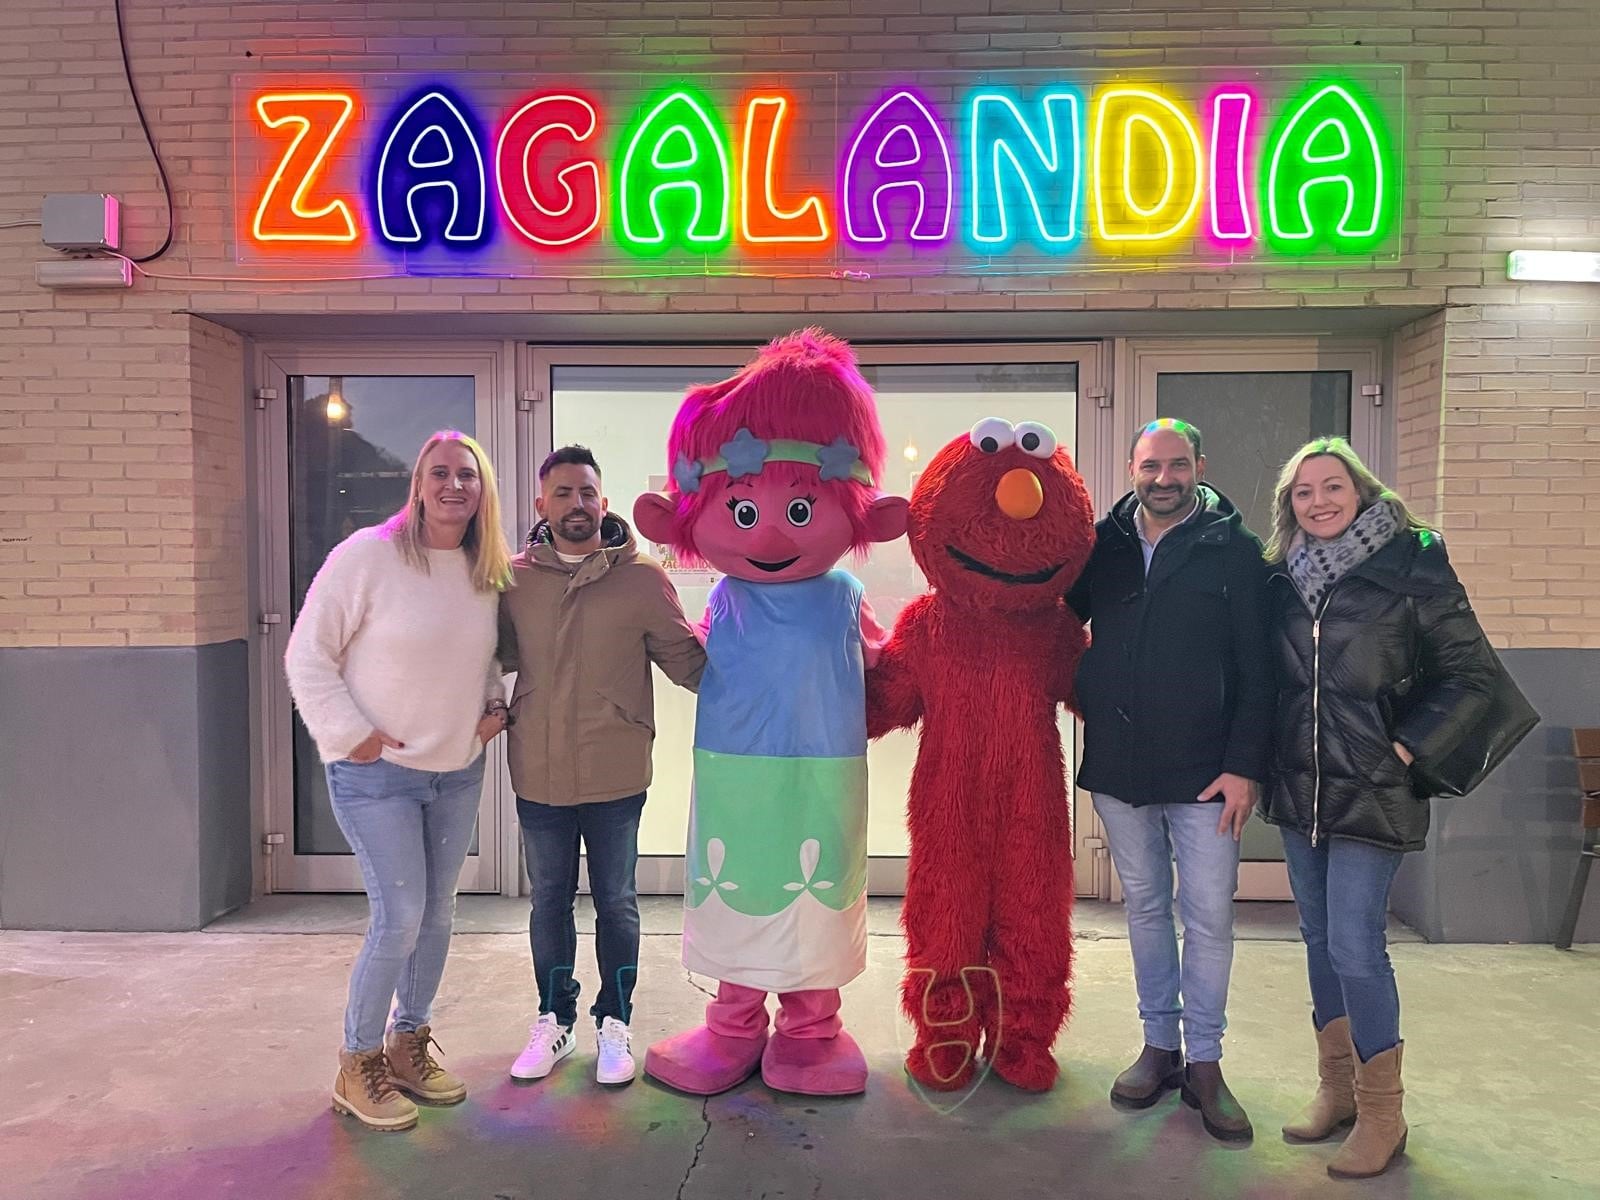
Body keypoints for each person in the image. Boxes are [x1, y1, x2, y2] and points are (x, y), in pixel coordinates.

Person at [1262, 437, 1506, 1179]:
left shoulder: (1412, 565)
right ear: (1290, 506)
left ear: (1361, 492)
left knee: (1356, 947)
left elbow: (1471, 676)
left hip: (1373, 787)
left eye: (1332, 487)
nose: (1319, 502)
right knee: (1316, 936)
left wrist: (1403, 750)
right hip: (1301, 790)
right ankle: (1336, 1091)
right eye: (1303, 493)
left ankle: (1382, 1113)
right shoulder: (1282, 577)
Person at [285, 430, 513, 1132]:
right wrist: (350, 734)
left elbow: (482, 657)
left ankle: (407, 1043)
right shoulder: (366, 558)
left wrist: (494, 706)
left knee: (439, 915)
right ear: (417, 485)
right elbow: (307, 654)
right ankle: (356, 1064)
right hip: (376, 775)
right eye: (439, 473)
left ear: (483, 491)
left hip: (455, 773)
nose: (454, 486)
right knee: (400, 919)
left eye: (467, 476)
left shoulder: (485, 570)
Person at [1066, 417, 1274, 1143]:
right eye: (1151, 465)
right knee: (1148, 910)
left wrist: (1245, 765)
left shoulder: (1235, 551)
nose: (1164, 478)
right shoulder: (1103, 546)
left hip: (1208, 776)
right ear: (1131, 468)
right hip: (1119, 770)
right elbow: (1059, 620)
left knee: (1210, 918)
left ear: (1199, 466)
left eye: (1177, 465)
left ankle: (1207, 1065)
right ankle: (1160, 1047)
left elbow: (1259, 665)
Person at [498, 445, 705, 1088]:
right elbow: (477, 658)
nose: (576, 504)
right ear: (541, 505)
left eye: (586, 492)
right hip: (539, 771)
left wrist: (765, 665)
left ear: (603, 502)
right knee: (549, 904)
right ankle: (554, 1019)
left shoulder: (641, 578)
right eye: (561, 493)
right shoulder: (511, 581)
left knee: (616, 903)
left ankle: (615, 1021)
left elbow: (691, 663)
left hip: (615, 772)